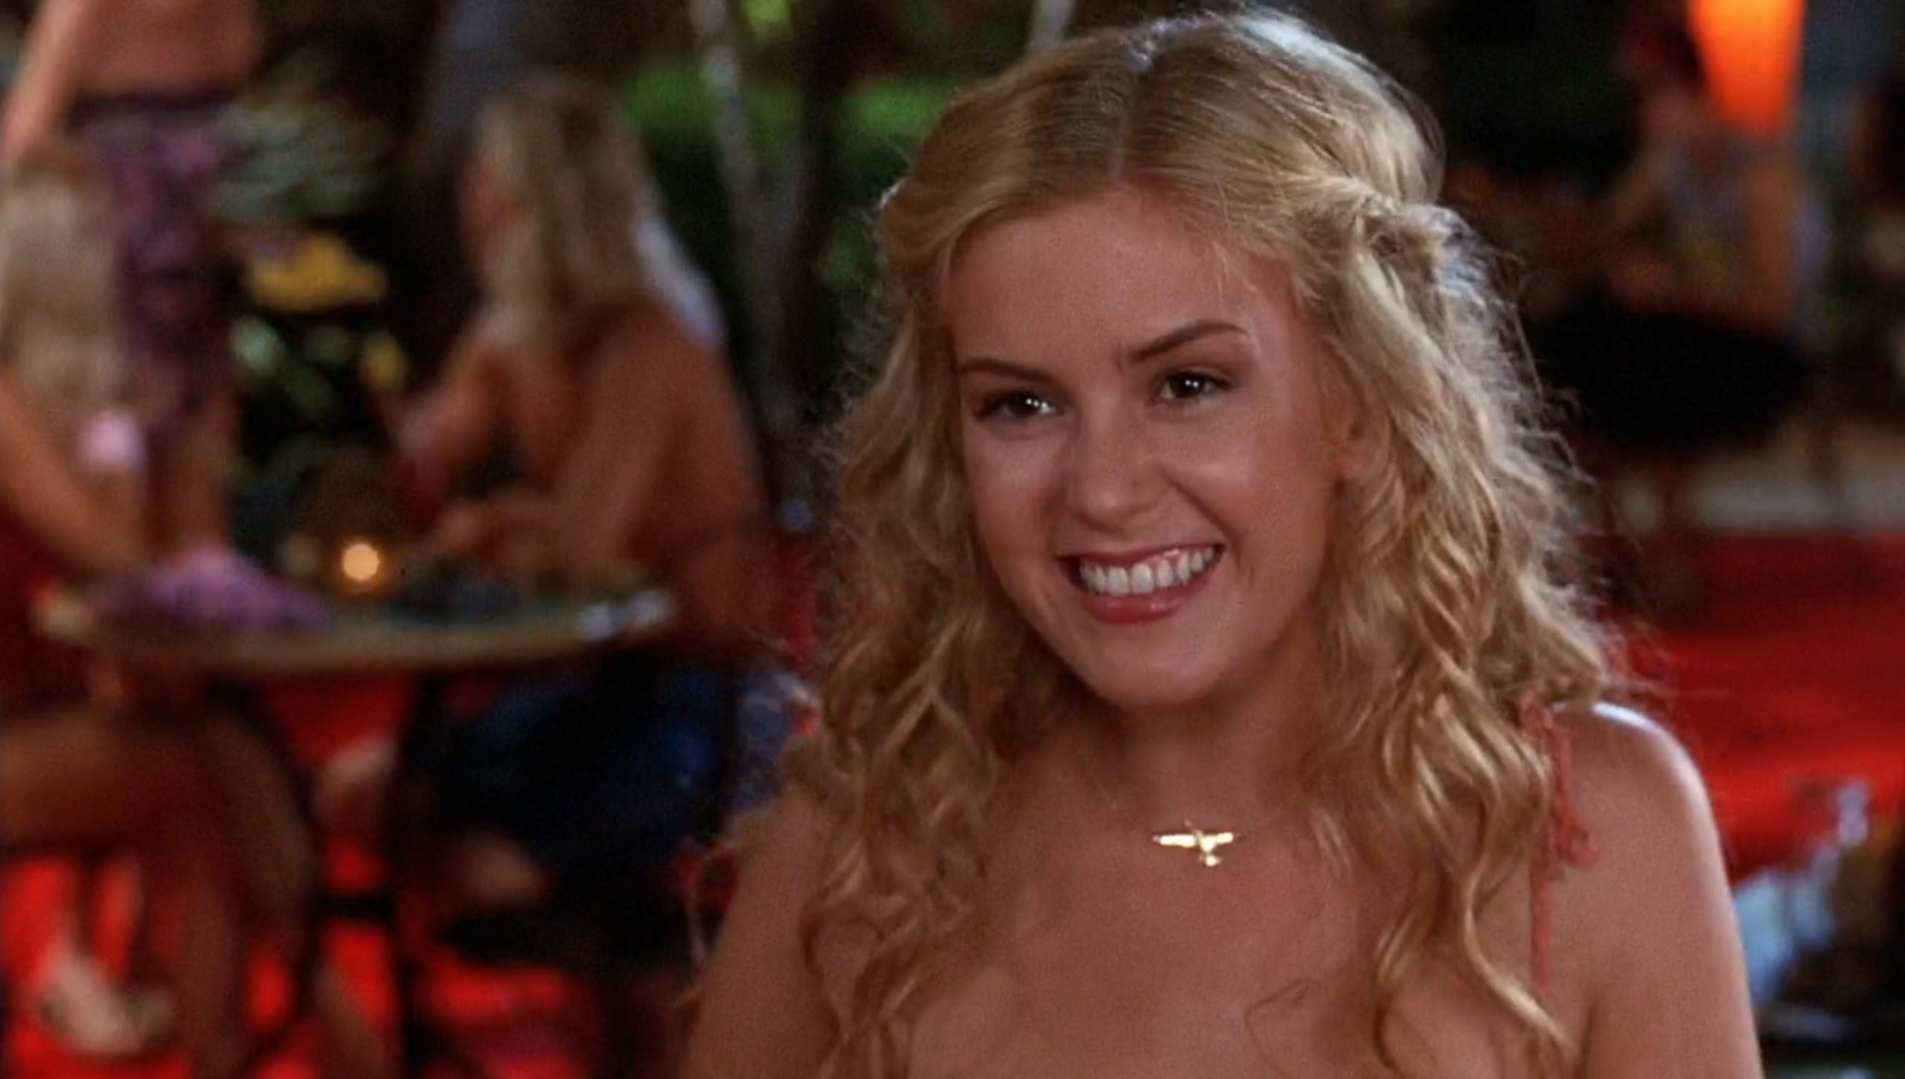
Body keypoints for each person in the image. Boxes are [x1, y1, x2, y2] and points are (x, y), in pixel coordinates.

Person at [687, 13, 1758, 1078]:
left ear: (1359, 400)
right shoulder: (856, 848)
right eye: (1021, 404)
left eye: (1187, 385)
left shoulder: (1590, 844)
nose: (1102, 490)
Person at [393, 71, 779, 1074]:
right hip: (595, 686)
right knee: (374, 795)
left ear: (531, 200)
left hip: (700, 703)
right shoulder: (523, 332)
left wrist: (499, 524)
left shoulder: (649, 339)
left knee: (473, 853)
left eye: (489, 177)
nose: (472, 199)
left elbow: (576, 549)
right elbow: (426, 460)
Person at [0, 166, 386, 1079]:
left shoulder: (61, 407)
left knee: (210, 765)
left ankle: (272, 1036)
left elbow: (138, 588)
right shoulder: (13, 408)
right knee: (199, 772)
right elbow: (112, 555)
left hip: (43, 715)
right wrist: (121, 450)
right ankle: (322, 1025)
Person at [1530, 15, 1821, 616]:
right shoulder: (1670, 168)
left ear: (1697, 93)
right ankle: (1618, 542)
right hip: (1696, 341)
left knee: (1655, 359)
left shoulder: (1761, 175)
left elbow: (1771, 308)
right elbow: (1597, 241)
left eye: (1655, 96)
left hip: (1767, 355)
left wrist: (1674, 289)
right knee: (1591, 333)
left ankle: (1670, 547)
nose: (1646, 115)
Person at [0, 0, 263, 554]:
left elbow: (25, 140)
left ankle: (176, 574)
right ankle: (156, 569)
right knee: (149, 418)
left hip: (160, 248)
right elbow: (25, 145)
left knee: (168, 415)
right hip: (139, 250)